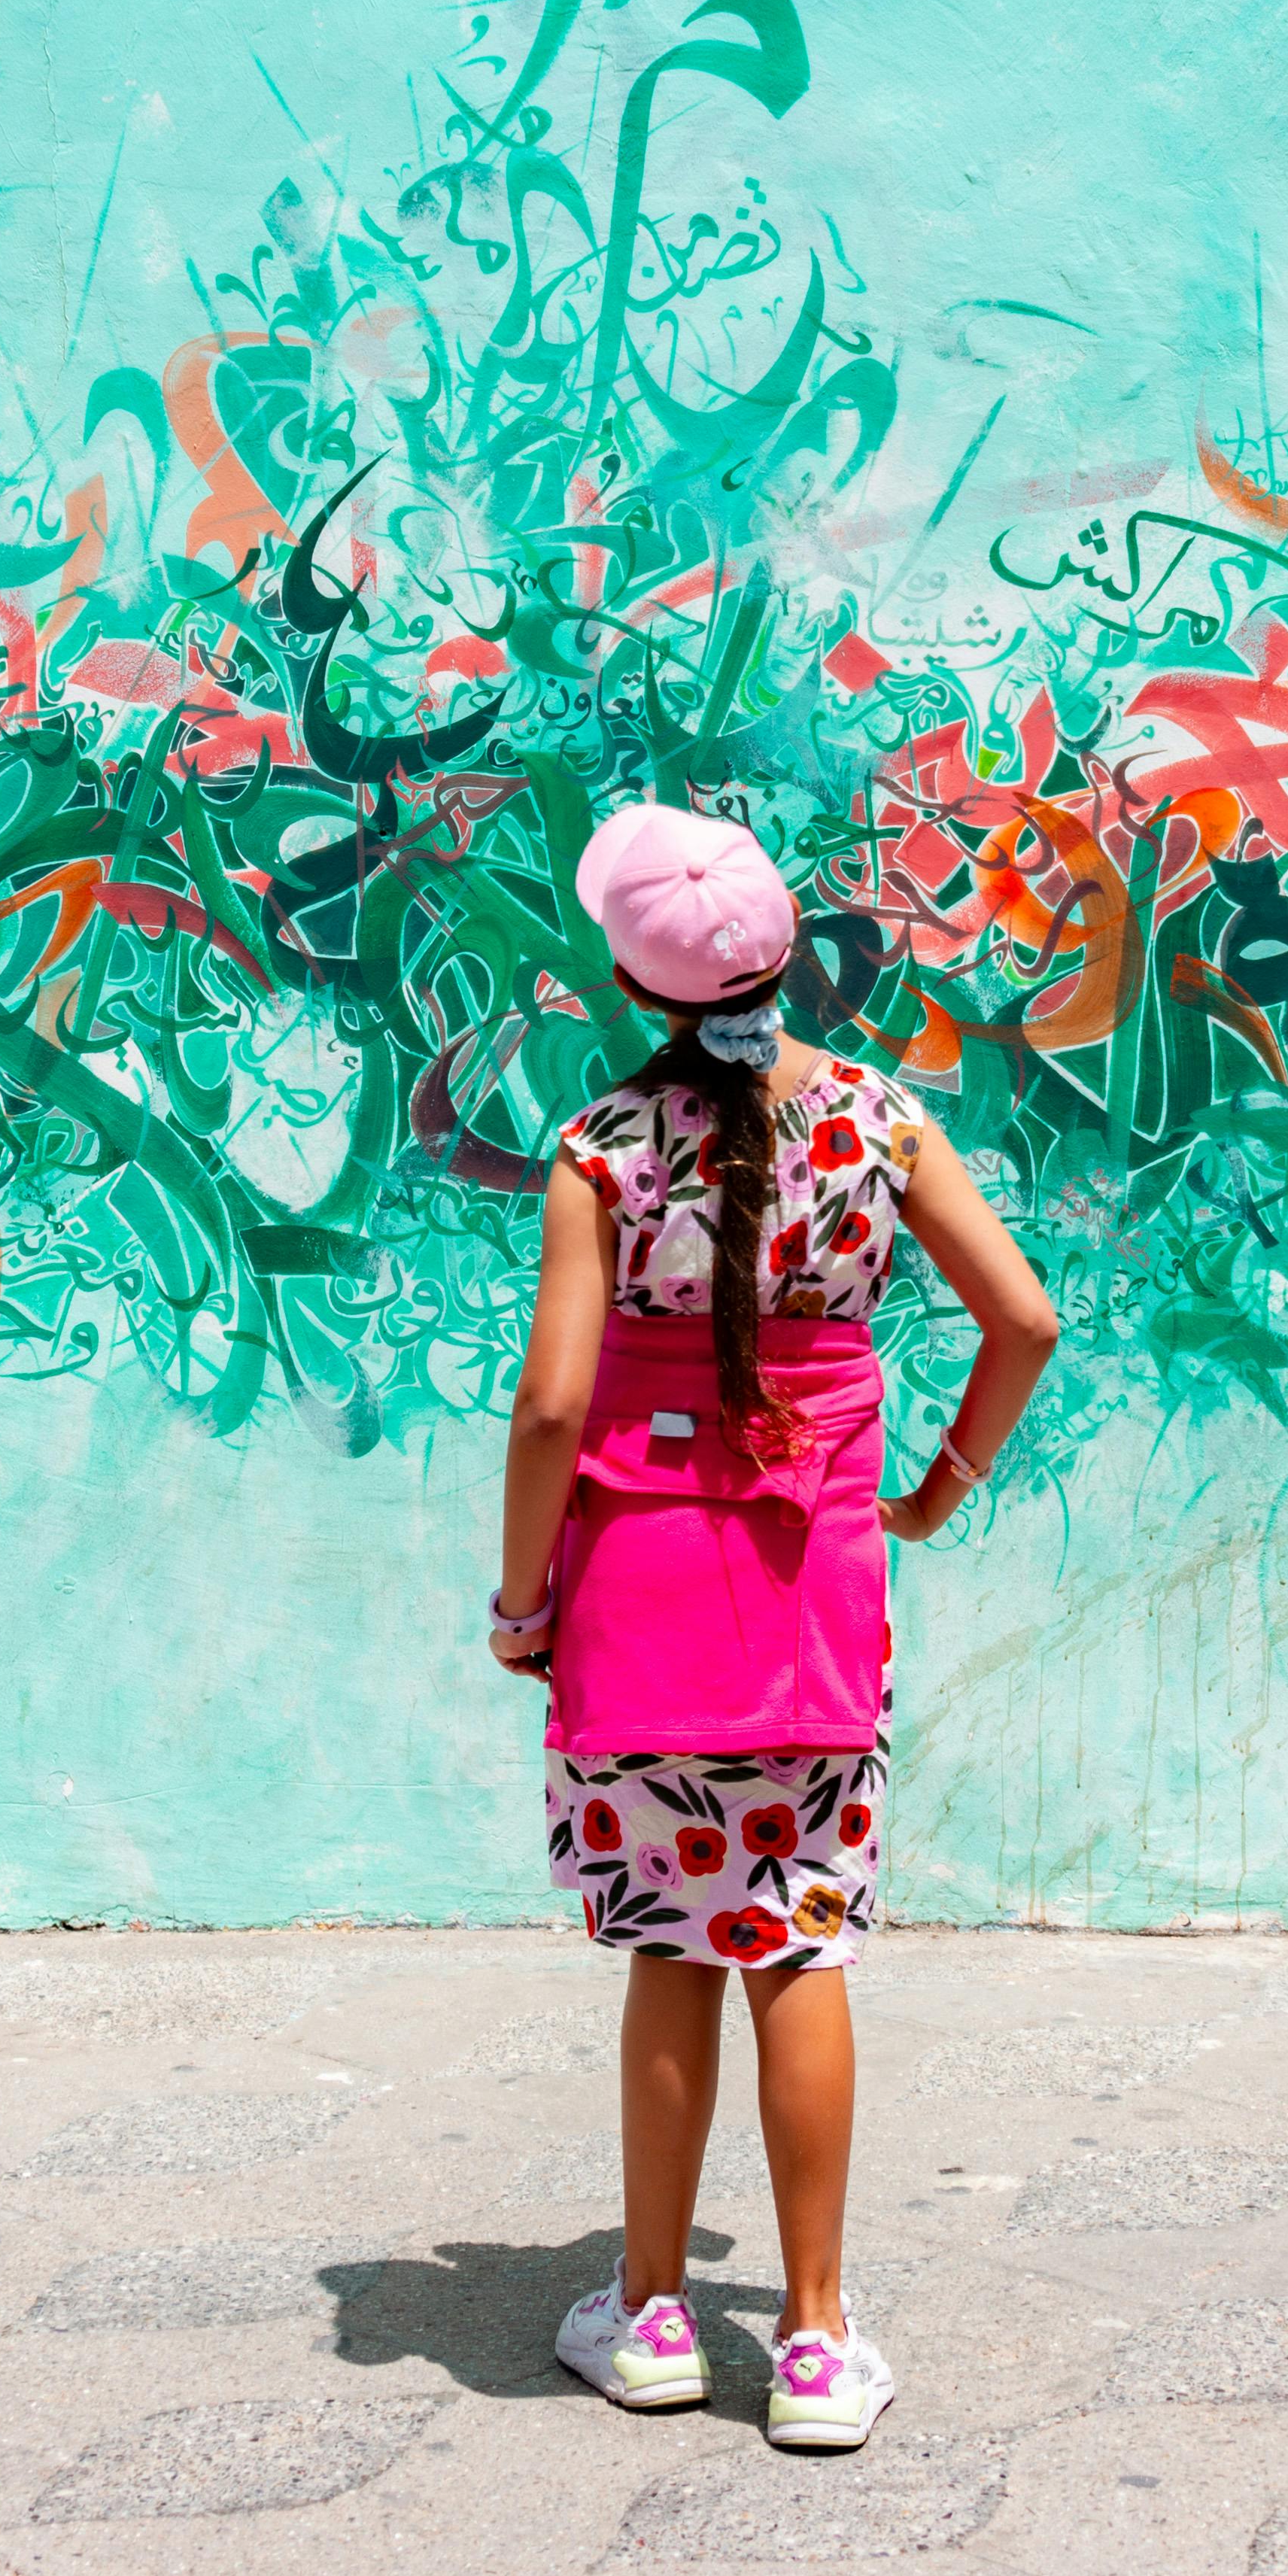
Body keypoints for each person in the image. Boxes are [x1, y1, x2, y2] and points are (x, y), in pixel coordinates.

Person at [487, 800, 1058, 2455]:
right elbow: (1018, 1317)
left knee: (673, 1949)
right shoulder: (880, 1120)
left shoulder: (598, 1146)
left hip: (635, 1598)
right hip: (818, 1591)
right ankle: (810, 2343)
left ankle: (652, 2316)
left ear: (626, 976)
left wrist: (524, 1605)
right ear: (786, 951)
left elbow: (549, 1410)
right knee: (794, 1947)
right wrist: (938, 1490)